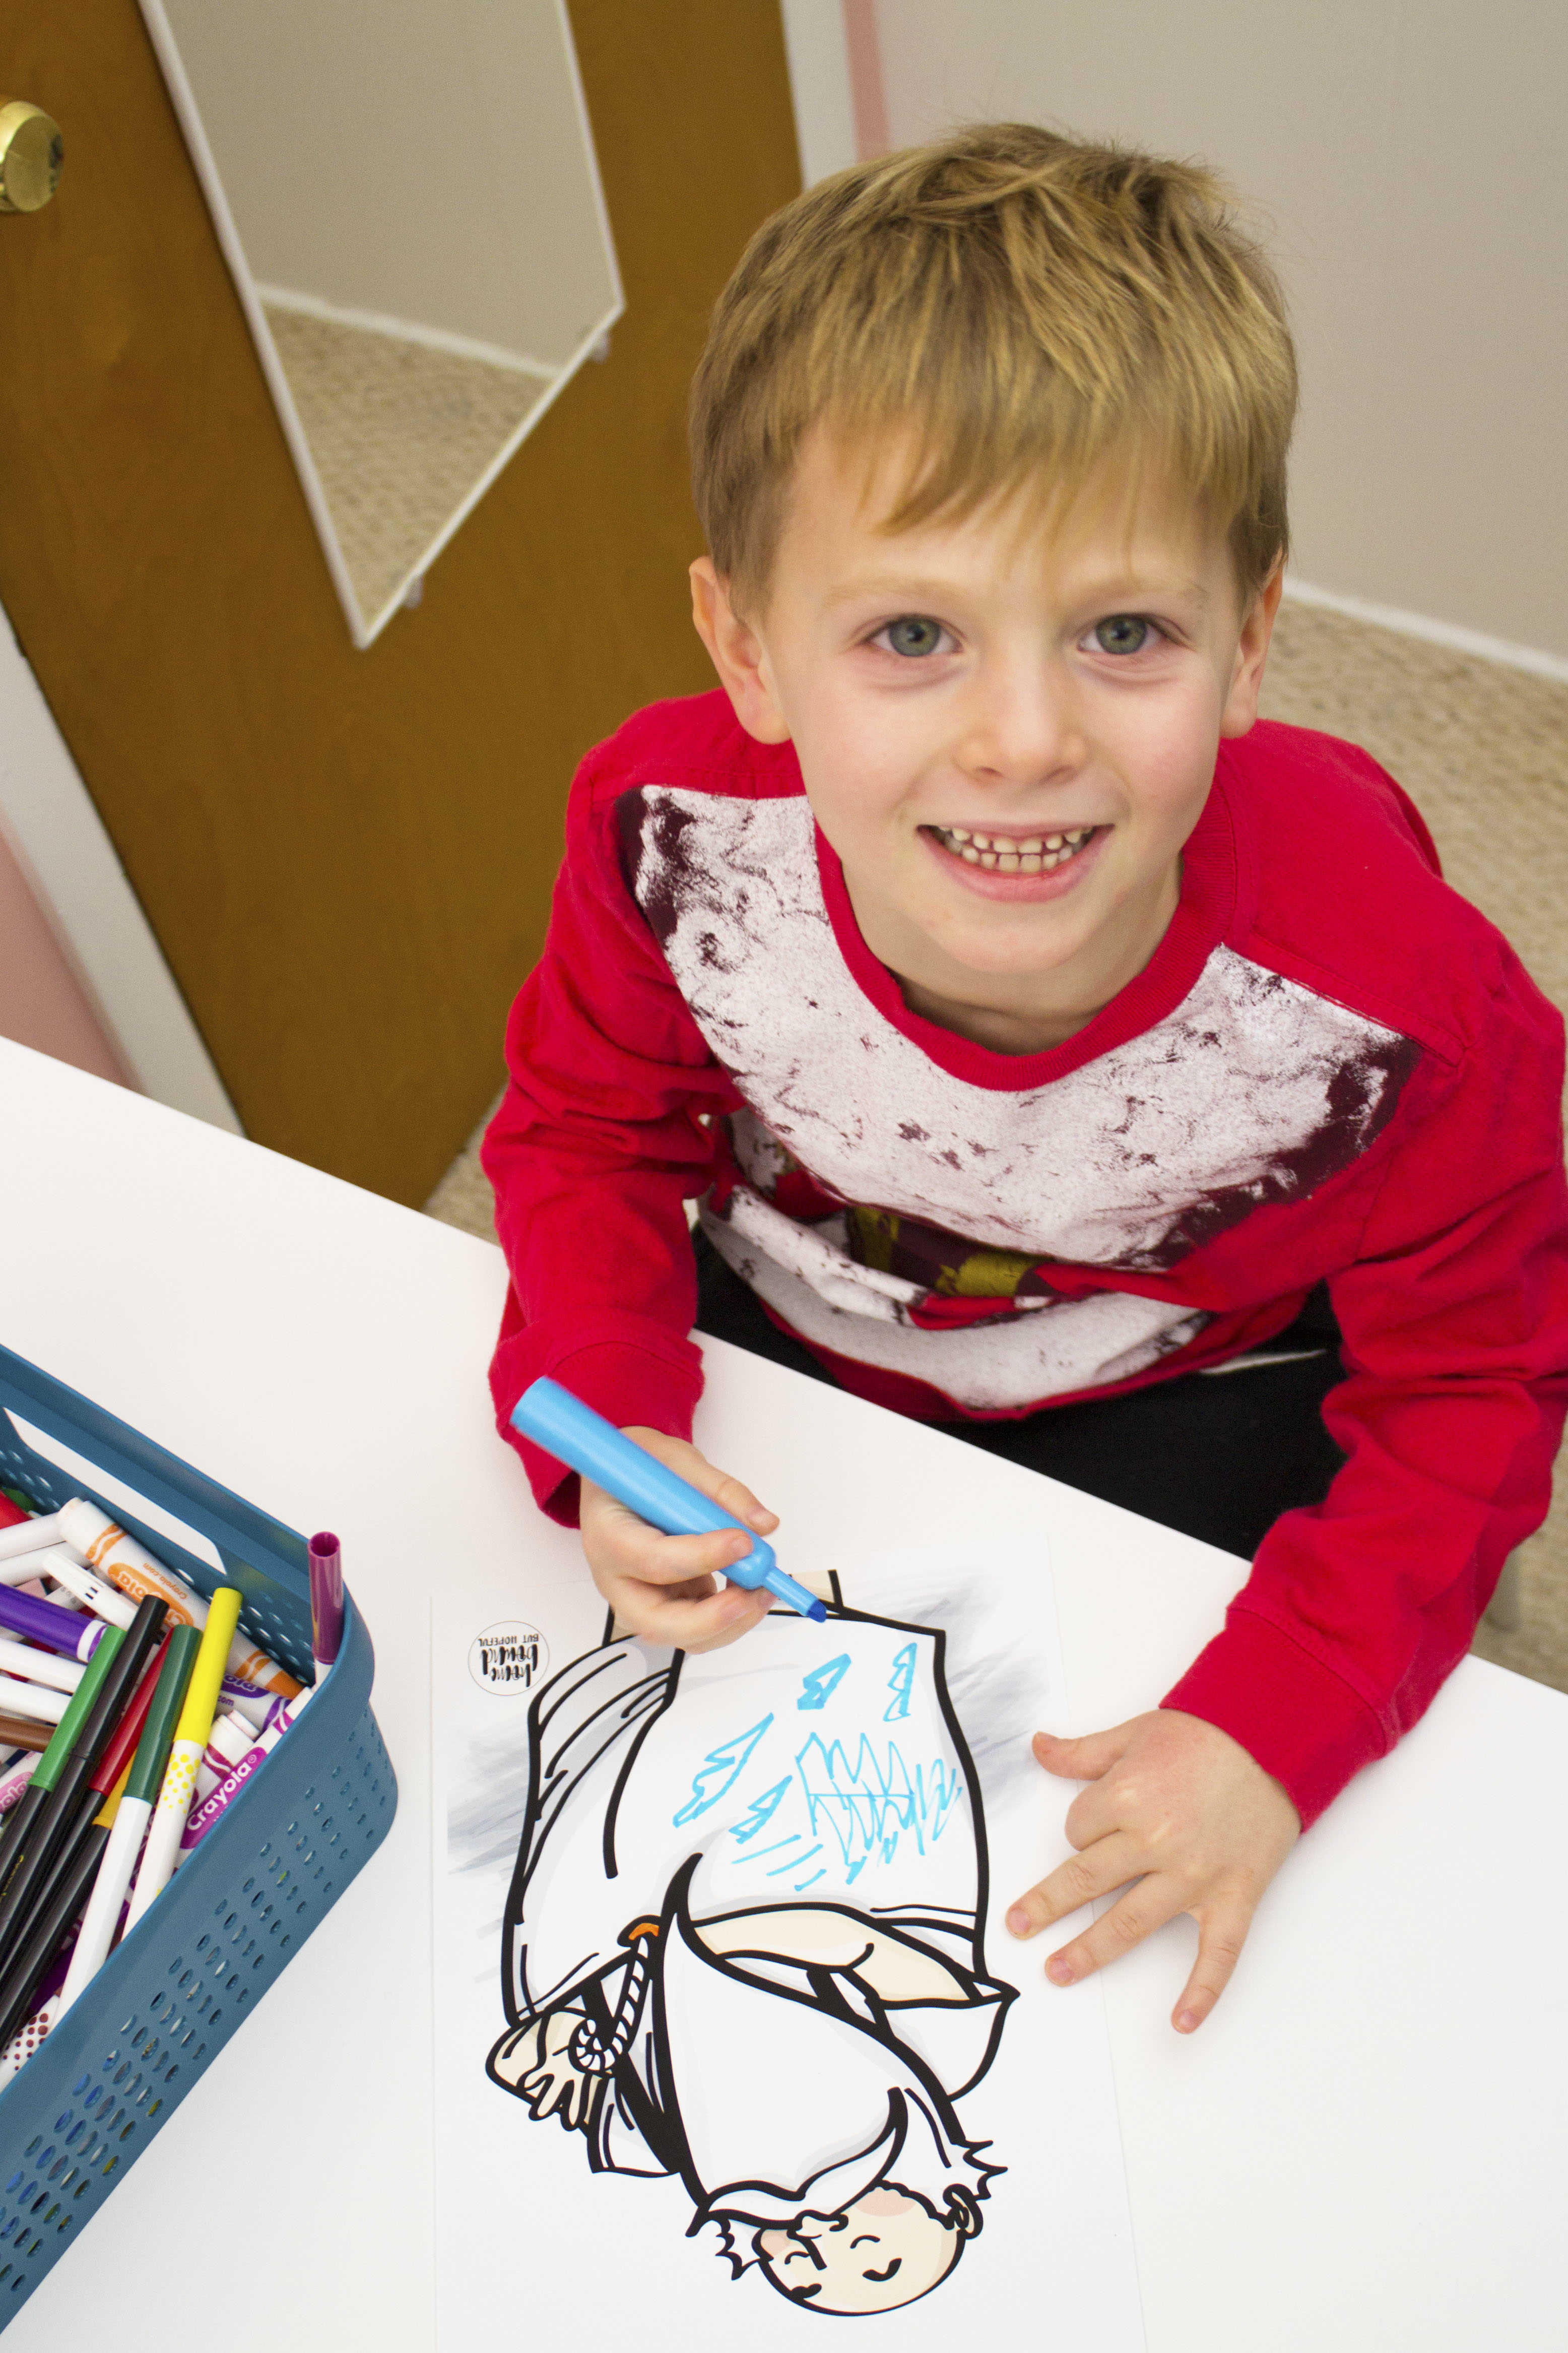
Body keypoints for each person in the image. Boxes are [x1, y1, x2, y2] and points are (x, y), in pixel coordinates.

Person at [481, 124, 1568, 2034]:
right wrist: (594, 1408)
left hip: (1190, 1373)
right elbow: (583, 1127)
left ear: (1248, 643)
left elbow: (1473, 1386)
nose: (1023, 740)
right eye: (911, 633)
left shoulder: (1406, 1018)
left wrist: (1275, 1730)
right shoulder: (663, 835)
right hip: (790, 1323)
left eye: (1123, 634)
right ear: (744, 645)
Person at [486, 1604, 1010, 2312]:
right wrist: (716, 1943)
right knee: (784, 1642)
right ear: (945, 2201)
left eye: (807, 2277)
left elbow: (528, 2067)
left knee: (619, 1699)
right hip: (804, 1839)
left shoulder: (655, 2147)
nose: (826, 2245)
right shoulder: (944, 2060)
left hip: (620, 1896)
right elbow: (863, 1942)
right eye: (874, 2259)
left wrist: (550, 2046)